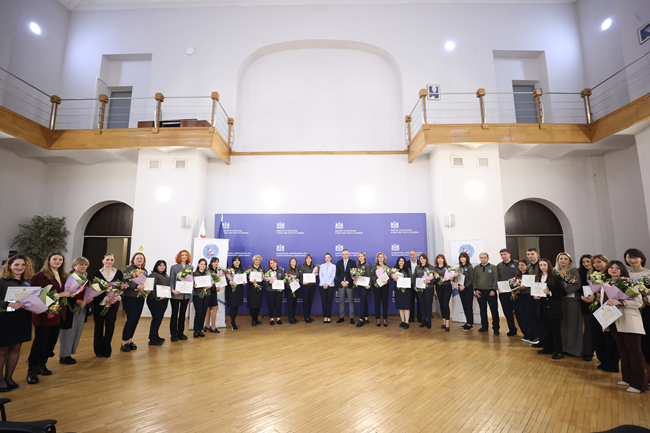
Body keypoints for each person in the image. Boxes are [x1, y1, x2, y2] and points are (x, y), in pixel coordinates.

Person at [28, 252, 72, 384]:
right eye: (55, 259)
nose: (58, 261)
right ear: (48, 261)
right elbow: (37, 296)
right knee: (40, 343)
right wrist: (61, 294)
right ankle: (32, 369)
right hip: (44, 314)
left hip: (58, 314)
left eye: (60, 259)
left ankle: (42, 364)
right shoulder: (38, 276)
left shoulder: (63, 276)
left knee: (51, 342)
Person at [603, 260, 647, 393]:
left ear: (622, 270)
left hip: (629, 320)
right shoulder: (606, 284)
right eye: (611, 267)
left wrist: (620, 302)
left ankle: (639, 384)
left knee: (634, 351)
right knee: (622, 350)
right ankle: (627, 378)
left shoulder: (630, 283)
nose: (614, 269)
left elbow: (638, 302)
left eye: (617, 268)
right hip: (613, 321)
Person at [0, 255, 34, 391]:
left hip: (22, 317)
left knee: (16, 348)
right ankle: (0, 380)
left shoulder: (27, 281)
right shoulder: (2, 281)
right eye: (16, 264)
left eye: (23, 265)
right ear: (9, 266)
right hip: (5, 318)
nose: (20, 267)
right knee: (2, 350)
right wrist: (9, 303)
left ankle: (9, 377)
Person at [624, 248, 650, 382]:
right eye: (629, 257)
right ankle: (639, 374)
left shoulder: (648, 274)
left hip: (647, 310)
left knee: (647, 342)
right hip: (632, 311)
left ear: (641, 258)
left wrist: (646, 300)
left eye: (635, 257)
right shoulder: (626, 275)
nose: (632, 260)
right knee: (635, 344)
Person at [533, 258, 567, 360]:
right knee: (545, 330)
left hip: (553, 308)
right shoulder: (538, 278)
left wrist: (550, 293)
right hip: (542, 307)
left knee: (555, 331)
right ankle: (548, 348)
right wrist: (536, 296)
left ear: (549, 266)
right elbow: (536, 291)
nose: (542, 267)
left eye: (544, 265)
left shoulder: (555, 278)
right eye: (540, 265)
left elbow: (562, 293)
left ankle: (558, 351)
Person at [591, 254, 620, 372]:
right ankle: (603, 360)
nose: (596, 265)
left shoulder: (616, 279)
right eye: (594, 263)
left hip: (613, 309)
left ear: (606, 262)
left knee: (611, 337)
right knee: (598, 336)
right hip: (600, 308)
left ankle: (612, 363)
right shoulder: (596, 276)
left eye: (599, 262)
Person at [59, 257, 90, 365]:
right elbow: (67, 294)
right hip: (70, 307)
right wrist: (77, 301)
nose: (83, 266)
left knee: (77, 331)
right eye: (81, 264)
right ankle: (64, 355)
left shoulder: (85, 277)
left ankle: (69, 353)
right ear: (74, 266)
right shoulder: (69, 277)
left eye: (85, 265)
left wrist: (89, 299)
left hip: (82, 306)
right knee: (68, 332)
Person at [92, 253, 123, 358]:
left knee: (110, 325)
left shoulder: (118, 273)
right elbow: (94, 289)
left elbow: (122, 287)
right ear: (103, 261)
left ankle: (107, 347)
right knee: (98, 325)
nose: (109, 262)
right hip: (100, 304)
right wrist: (105, 298)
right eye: (107, 259)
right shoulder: (96, 273)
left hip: (113, 303)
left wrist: (117, 297)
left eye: (112, 260)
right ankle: (98, 349)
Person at [555, 252, 583, 358]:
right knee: (562, 324)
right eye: (561, 259)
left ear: (569, 261)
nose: (563, 261)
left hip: (572, 300)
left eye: (565, 259)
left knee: (573, 324)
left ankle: (575, 350)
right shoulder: (555, 271)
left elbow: (577, 284)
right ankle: (564, 348)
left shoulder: (574, 270)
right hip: (560, 300)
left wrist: (564, 293)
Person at [120, 252, 148, 352]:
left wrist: (147, 289)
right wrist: (136, 286)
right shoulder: (129, 269)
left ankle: (130, 340)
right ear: (133, 260)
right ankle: (124, 342)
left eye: (141, 258)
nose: (139, 260)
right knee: (131, 319)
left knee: (136, 319)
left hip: (140, 297)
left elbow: (146, 283)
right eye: (137, 258)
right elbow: (124, 281)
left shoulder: (144, 271)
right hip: (129, 297)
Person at [474, 253, 499, 335]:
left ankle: (496, 328)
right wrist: (476, 289)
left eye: (485, 257)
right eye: (481, 257)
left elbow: (496, 279)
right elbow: (474, 280)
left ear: (488, 258)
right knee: (482, 310)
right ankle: (484, 326)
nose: (483, 259)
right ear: (479, 258)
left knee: (494, 310)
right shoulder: (476, 268)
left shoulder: (493, 267)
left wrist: (493, 289)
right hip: (480, 291)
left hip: (491, 291)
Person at [169, 250, 193, 341]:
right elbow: (171, 280)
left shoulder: (190, 267)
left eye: (186, 255)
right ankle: (173, 334)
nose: (184, 256)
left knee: (183, 314)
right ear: (179, 256)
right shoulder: (174, 267)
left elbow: (191, 280)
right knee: (174, 314)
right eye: (182, 255)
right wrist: (172, 290)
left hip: (185, 295)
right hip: (176, 294)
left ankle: (181, 333)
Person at [514, 260, 539, 344]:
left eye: (522, 265)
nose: (520, 267)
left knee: (530, 316)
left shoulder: (529, 275)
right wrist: (515, 290)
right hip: (521, 297)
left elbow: (529, 286)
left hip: (529, 296)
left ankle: (535, 336)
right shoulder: (518, 276)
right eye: (519, 265)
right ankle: (527, 334)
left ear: (527, 266)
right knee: (523, 316)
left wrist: (521, 288)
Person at [496, 249, 519, 336]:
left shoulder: (517, 263)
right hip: (504, 292)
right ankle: (512, 329)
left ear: (509, 254)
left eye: (504, 254)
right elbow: (497, 278)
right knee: (507, 312)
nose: (503, 256)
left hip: (515, 291)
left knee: (518, 312)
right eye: (501, 255)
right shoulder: (499, 266)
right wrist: (498, 287)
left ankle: (525, 330)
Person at [148, 260, 170, 345]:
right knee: (156, 319)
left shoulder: (165, 275)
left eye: (164, 265)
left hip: (163, 299)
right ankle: (152, 339)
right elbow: (150, 288)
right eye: (160, 265)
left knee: (159, 319)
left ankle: (155, 336)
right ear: (156, 266)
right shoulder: (153, 275)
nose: (162, 267)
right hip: (155, 300)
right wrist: (157, 297)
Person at [579, 254, 595, 361]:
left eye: (588, 261)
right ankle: (588, 352)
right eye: (583, 262)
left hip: (598, 302)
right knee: (588, 328)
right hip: (585, 302)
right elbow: (578, 287)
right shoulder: (581, 274)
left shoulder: (599, 273)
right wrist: (581, 297)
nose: (586, 264)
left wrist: (595, 295)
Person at [413, 253, 435, 329]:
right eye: (421, 258)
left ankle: (429, 321)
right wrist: (414, 285)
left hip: (429, 288)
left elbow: (435, 277)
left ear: (426, 259)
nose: (422, 260)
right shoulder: (417, 267)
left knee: (428, 305)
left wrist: (430, 281)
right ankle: (423, 321)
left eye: (423, 258)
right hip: (420, 288)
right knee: (422, 305)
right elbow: (414, 277)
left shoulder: (431, 267)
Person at [336, 249, 356, 324]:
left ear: (349, 254)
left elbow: (353, 274)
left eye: (346, 254)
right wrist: (342, 282)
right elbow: (337, 274)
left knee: (351, 302)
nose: (345, 255)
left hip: (349, 284)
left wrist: (347, 282)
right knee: (341, 301)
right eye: (343, 254)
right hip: (341, 285)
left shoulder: (352, 262)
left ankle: (351, 318)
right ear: (342, 255)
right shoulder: (339, 262)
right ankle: (341, 317)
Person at [433, 254, 453, 332]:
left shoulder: (448, 267)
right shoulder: (434, 268)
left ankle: (447, 324)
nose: (440, 259)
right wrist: (434, 290)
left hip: (447, 287)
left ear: (444, 260)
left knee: (445, 304)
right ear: (437, 260)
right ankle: (443, 322)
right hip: (439, 288)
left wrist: (452, 278)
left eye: (441, 258)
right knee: (441, 304)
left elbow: (452, 277)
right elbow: (434, 281)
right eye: (438, 258)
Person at [192, 258, 211, 338]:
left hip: (207, 295)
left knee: (204, 312)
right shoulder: (194, 274)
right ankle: (195, 330)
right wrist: (193, 286)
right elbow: (190, 285)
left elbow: (212, 283)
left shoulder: (208, 274)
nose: (203, 265)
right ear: (198, 264)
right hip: (197, 295)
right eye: (201, 264)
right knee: (199, 312)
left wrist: (210, 285)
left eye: (204, 264)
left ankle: (200, 330)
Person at [371, 252, 390, 327]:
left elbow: (389, 275)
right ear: (377, 258)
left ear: (384, 258)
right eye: (379, 257)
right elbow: (372, 276)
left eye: (382, 257)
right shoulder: (374, 266)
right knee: (377, 302)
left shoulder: (387, 266)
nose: (380, 258)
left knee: (385, 302)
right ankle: (378, 319)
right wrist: (376, 280)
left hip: (385, 286)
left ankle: (385, 319)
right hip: (377, 286)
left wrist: (387, 281)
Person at [226, 256, 245, 330]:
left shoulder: (242, 269)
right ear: (233, 262)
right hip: (231, 290)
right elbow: (225, 278)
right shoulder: (229, 269)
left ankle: (233, 320)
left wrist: (244, 282)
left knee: (236, 305)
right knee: (232, 306)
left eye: (238, 260)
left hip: (239, 290)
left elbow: (244, 278)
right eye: (235, 260)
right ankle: (233, 321)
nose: (237, 262)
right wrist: (229, 281)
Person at [458, 252, 475, 331]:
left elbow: (471, 280)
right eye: (461, 257)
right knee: (464, 306)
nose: (462, 258)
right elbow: (458, 278)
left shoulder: (469, 267)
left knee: (468, 306)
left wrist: (464, 286)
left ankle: (470, 323)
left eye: (464, 257)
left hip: (467, 289)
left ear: (467, 258)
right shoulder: (459, 268)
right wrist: (457, 282)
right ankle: (468, 322)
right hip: (461, 289)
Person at [393, 257, 412, 328]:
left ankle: (407, 322)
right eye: (400, 261)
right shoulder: (395, 270)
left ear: (404, 262)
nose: (401, 262)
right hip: (398, 290)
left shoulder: (408, 269)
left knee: (406, 306)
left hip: (406, 290)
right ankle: (402, 321)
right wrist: (394, 279)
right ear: (398, 262)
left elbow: (411, 279)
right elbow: (392, 279)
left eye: (402, 261)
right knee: (400, 306)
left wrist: (407, 285)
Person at [247, 255, 265, 326]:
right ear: (254, 260)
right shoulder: (250, 268)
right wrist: (250, 281)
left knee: (258, 304)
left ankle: (256, 318)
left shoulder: (262, 268)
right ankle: (253, 320)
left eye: (259, 260)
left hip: (259, 288)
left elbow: (264, 278)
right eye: (256, 260)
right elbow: (246, 278)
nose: (257, 261)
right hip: (252, 288)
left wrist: (263, 275)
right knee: (252, 304)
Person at [265, 258, 285, 325]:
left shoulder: (281, 271)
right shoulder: (268, 272)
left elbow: (284, 280)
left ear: (276, 263)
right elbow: (265, 281)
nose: (273, 264)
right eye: (271, 263)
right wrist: (269, 282)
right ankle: (272, 319)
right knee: (271, 304)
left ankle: (278, 318)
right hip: (270, 291)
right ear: (270, 265)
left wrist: (282, 287)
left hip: (279, 291)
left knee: (278, 304)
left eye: (274, 262)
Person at [355, 252, 372, 327]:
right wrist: (355, 280)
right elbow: (356, 276)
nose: (360, 258)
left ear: (364, 257)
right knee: (364, 301)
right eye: (359, 257)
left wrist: (369, 285)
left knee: (362, 302)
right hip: (359, 286)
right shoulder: (358, 266)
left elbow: (369, 276)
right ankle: (366, 318)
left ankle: (361, 319)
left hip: (365, 286)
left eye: (361, 256)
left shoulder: (367, 265)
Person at [205, 257, 222, 333]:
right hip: (209, 291)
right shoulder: (208, 271)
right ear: (211, 263)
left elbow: (219, 281)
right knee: (214, 308)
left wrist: (218, 286)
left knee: (209, 308)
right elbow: (207, 282)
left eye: (217, 262)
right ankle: (213, 327)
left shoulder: (218, 271)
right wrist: (215, 287)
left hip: (213, 292)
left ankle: (207, 326)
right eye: (214, 262)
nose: (216, 263)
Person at [319, 253, 336, 323]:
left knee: (329, 301)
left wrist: (328, 284)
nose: (327, 259)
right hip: (322, 286)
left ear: (330, 258)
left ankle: (329, 316)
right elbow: (320, 275)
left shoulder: (333, 266)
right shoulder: (322, 266)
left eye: (328, 257)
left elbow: (333, 276)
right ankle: (325, 316)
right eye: (326, 257)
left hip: (330, 286)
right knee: (323, 301)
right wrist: (323, 284)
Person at [300, 255, 316, 323]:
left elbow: (315, 275)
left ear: (311, 259)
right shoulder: (302, 267)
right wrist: (302, 282)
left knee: (310, 301)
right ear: (305, 259)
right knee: (306, 302)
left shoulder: (314, 267)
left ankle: (309, 316)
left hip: (312, 286)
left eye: (310, 258)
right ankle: (306, 317)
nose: (308, 259)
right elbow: (300, 276)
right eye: (307, 258)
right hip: (305, 286)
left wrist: (316, 274)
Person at [285, 257, 300, 325]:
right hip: (289, 289)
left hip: (296, 289)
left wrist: (298, 280)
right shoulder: (288, 270)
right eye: (292, 262)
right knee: (290, 304)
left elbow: (299, 278)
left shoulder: (297, 270)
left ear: (296, 263)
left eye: (294, 261)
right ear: (290, 263)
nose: (293, 263)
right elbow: (286, 280)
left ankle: (293, 317)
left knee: (294, 304)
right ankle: (291, 318)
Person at [408, 250, 422, 323]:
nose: (412, 256)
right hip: (409, 285)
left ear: (416, 255)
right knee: (410, 301)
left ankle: (420, 317)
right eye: (411, 254)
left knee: (420, 301)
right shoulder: (406, 263)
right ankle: (411, 317)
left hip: (419, 284)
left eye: (414, 254)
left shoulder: (421, 262)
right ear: (409, 255)